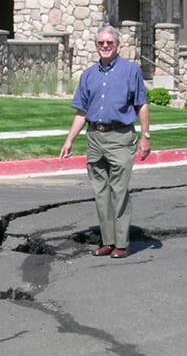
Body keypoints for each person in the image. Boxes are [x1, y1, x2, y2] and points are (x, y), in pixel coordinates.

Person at [60, 26, 151, 258]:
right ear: (96, 45)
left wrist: (146, 136)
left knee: (119, 191)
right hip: (94, 138)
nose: (105, 46)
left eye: (110, 42)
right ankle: (108, 241)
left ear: (118, 44)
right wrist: (70, 140)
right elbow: (82, 111)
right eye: (101, 43)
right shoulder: (89, 74)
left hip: (121, 137)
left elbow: (142, 104)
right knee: (101, 193)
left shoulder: (131, 71)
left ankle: (122, 244)